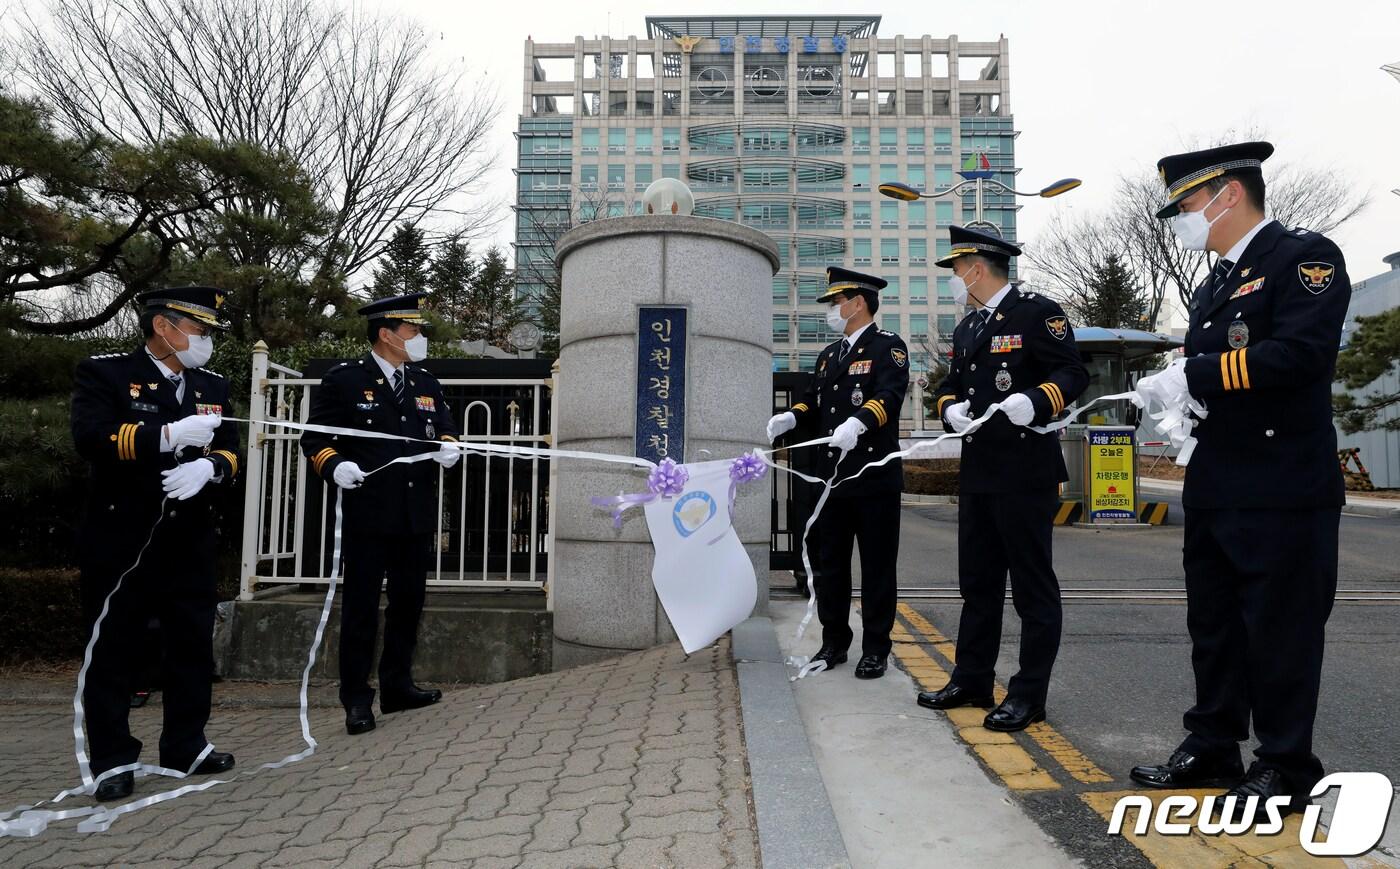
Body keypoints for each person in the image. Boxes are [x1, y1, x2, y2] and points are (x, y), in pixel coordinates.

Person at [1129, 142, 1351, 820]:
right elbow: (1220, 365)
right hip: (1219, 483)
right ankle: (1214, 743)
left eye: (1187, 206)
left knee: (1280, 630)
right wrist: (1181, 404)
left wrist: (1193, 375)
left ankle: (1286, 765)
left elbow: (1300, 354)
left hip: (1282, 485)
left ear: (1228, 194)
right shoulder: (1217, 282)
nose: (1182, 222)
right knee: (1216, 626)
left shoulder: (1302, 258)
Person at [70, 286, 241, 802]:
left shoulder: (212, 383)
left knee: (191, 645)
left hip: (188, 538)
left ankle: (186, 744)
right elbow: (92, 437)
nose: (205, 339)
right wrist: (166, 437)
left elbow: (232, 449)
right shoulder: (107, 373)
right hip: (123, 539)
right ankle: (112, 760)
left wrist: (210, 466)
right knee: (114, 649)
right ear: (164, 326)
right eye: (198, 328)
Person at [916, 226, 1087, 732]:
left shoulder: (1038, 311)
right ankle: (972, 678)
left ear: (977, 266)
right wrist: (951, 409)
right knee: (978, 585)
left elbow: (1071, 374)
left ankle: (1028, 694)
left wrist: (1034, 399)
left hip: (1024, 470)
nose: (952, 279)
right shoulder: (969, 328)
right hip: (980, 472)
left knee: (1033, 589)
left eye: (955, 269)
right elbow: (948, 385)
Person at [300, 293, 461, 735]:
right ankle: (356, 699)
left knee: (409, 604)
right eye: (414, 330)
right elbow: (314, 440)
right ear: (387, 334)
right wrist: (335, 465)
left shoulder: (425, 382)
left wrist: (449, 444)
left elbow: (443, 425)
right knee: (362, 609)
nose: (420, 337)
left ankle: (397, 686)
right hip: (369, 513)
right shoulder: (345, 380)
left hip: (414, 514)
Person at [767, 267, 909, 679]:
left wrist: (860, 422)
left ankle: (876, 648)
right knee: (829, 564)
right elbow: (812, 401)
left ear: (858, 302)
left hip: (873, 478)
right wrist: (790, 418)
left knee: (878, 566)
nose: (833, 309)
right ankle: (834, 643)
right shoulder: (829, 355)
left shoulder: (888, 348)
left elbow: (890, 395)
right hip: (832, 480)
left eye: (836, 301)